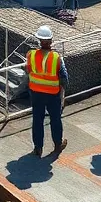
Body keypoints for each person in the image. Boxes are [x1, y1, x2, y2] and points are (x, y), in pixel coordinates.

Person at [27, 25, 68, 157]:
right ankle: (57, 145)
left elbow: (28, 70)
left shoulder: (31, 55)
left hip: (36, 93)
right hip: (52, 94)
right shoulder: (56, 57)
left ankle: (38, 148)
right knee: (55, 119)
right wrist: (63, 92)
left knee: (37, 120)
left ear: (39, 40)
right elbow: (64, 78)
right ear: (50, 41)